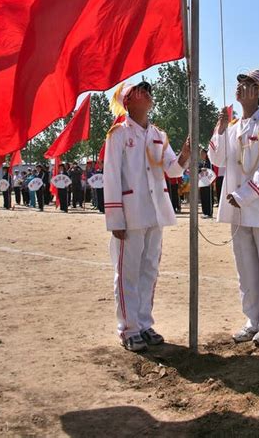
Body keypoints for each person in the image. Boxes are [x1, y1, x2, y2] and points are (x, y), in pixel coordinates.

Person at [104, 80, 190, 352]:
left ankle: (143, 322)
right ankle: (128, 327)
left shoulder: (158, 134)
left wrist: (185, 155)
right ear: (127, 101)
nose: (147, 94)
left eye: (148, 90)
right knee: (127, 272)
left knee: (149, 269)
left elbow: (173, 171)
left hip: (155, 212)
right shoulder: (118, 134)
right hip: (130, 214)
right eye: (139, 91)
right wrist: (115, 219)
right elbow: (111, 176)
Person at [209, 69, 259, 347]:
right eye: (241, 83)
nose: (241, 87)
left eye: (249, 84)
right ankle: (253, 319)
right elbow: (218, 159)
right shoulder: (231, 127)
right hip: (238, 209)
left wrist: (243, 194)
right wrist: (218, 130)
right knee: (246, 268)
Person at [199, 148, 214, 218]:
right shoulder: (203, 163)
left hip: (208, 182)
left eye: (202, 153)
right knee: (203, 197)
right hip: (202, 182)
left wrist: (203, 170)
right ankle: (205, 212)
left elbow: (210, 171)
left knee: (208, 197)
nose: (200, 155)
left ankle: (209, 212)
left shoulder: (209, 162)